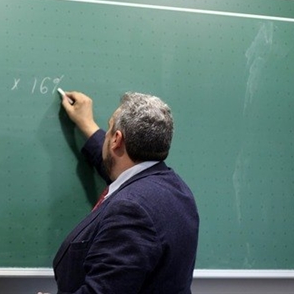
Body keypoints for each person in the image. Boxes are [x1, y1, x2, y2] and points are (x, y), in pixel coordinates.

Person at [53, 90, 200, 294]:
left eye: (109, 130)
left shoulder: (131, 209)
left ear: (116, 140)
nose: (106, 135)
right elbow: (116, 168)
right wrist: (87, 125)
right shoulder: (174, 189)